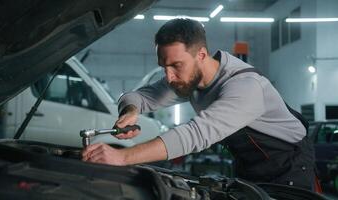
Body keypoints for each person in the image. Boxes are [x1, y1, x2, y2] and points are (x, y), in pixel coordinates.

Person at [82, 18, 315, 190]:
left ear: (201, 55)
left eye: (176, 65)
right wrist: (131, 111)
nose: (169, 76)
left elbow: (196, 134)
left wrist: (122, 157)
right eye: (164, 66)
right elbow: (137, 96)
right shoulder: (188, 80)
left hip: (289, 167)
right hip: (249, 166)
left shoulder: (245, 87)